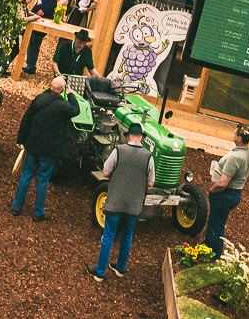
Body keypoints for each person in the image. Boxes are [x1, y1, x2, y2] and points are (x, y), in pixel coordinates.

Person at [11, 75, 80, 221]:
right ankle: (38, 212)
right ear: (62, 90)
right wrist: (71, 95)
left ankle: (16, 207)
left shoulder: (39, 99)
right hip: (49, 150)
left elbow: (26, 119)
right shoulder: (62, 106)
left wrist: (21, 140)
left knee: (26, 175)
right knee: (43, 179)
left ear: (50, 86)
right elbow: (75, 110)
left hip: (32, 145)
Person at [91, 124, 152, 281]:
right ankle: (120, 268)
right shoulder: (148, 156)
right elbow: (151, 183)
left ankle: (99, 272)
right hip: (134, 205)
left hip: (115, 202)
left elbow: (105, 172)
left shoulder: (118, 150)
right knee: (127, 234)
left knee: (108, 235)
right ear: (141, 138)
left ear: (128, 136)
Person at [206, 125, 249, 256]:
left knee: (216, 225)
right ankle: (207, 247)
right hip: (235, 193)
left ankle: (213, 254)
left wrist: (212, 190)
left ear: (239, 138)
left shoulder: (235, 158)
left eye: (235, 134)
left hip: (224, 194)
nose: (232, 135)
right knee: (216, 221)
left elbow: (222, 183)